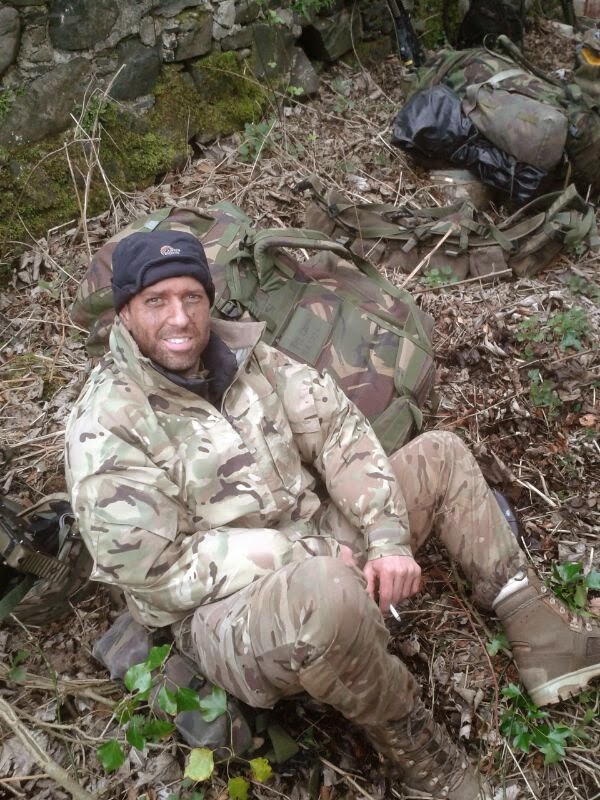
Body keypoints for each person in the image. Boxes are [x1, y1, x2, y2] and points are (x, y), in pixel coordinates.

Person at [65, 230, 600, 799]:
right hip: (226, 614)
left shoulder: (246, 357)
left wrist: (387, 535)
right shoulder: (107, 424)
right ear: (124, 313)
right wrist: (305, 554)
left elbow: (338, 432)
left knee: (439, 456)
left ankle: (543, 640)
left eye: (191, 297)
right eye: (157, 301)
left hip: (324, 540)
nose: (180, 317)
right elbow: (156, 572)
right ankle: (423, 758)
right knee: (327, 592)